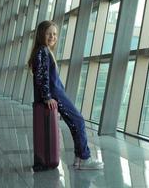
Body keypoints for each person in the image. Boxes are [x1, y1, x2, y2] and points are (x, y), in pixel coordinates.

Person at [28, 20, 103, 170]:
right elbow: (41, 77)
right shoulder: (43, 51)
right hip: (55, 95)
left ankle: (79, 157)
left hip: (56, 94)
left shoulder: (45, 51)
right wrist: (47, 97)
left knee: (75, 122)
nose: (52, 36)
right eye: (49, 33)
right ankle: (84, 158)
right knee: (79, 121)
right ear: (41, 34)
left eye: (55, 34)